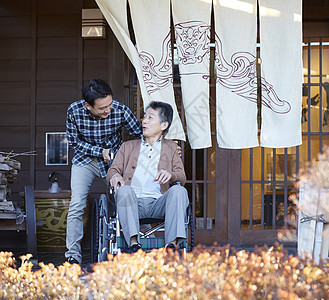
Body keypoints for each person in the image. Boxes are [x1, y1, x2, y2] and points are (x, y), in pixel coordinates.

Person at [65, 79, 142, 264]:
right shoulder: (74, 111)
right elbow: (74, 142)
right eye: (102, 108)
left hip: (114, 162)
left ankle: (132, 247)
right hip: (86, 160)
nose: (108, 110)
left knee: (124, 197)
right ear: (88, 106)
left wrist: (167, 147)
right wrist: (99, 151)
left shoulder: (120, 110)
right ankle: (72, 256)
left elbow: (141, 134)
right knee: (76, 205)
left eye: (109, 104)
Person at [106, 101, 189, 253]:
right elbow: (113, 170)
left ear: (163, 125)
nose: (144, 121)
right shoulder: (128, 146)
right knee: (124, 190)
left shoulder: (171, 148)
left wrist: (170, 175)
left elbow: (181, 176)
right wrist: (116, 176)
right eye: (144, 117)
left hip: (159, 203)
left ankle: (171, 245)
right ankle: (133, 244)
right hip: (132, 202)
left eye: (150, 118)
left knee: (179, 191)